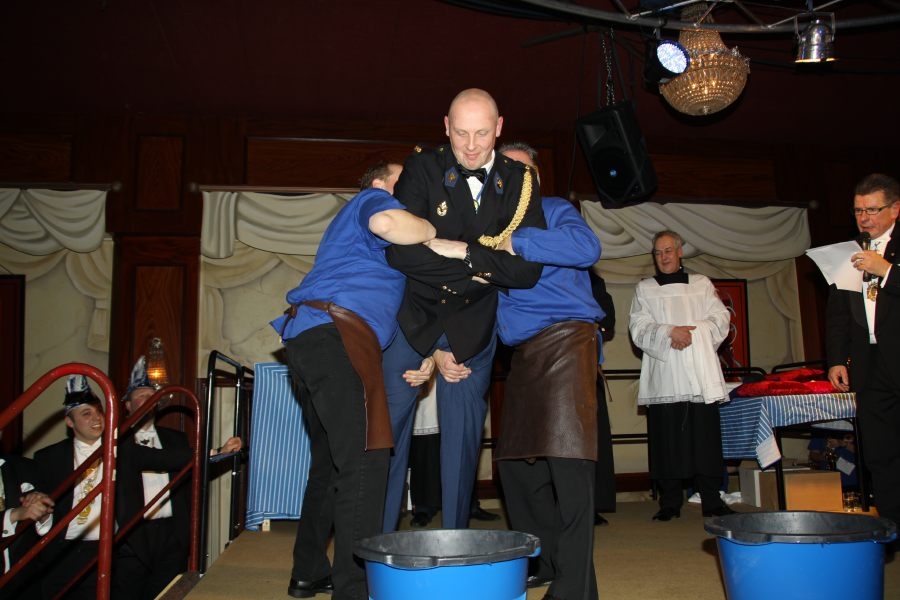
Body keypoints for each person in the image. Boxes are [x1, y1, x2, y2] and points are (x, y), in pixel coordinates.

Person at [270, 162, 435, 600]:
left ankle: (308, 571)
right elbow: (390, 224)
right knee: (367, 459)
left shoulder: (372, 249)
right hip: (337, 335)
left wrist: (430, 356)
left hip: (314, 337)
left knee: (331, 464)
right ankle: (355, 589)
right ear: (380, 184)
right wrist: (432, 226)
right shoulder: (373, 202)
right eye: (403, 178)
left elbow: (407, 307)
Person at [382, 88, 545, 531]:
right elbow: (400, 254)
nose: (471, 146)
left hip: (473, 325)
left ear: (500, 128)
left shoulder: (521, 181)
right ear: (446, 127)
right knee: (386, 439)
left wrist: (463, 252)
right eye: (461, 134)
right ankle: (378, 546)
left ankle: (456, 540)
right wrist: (481, 270)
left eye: (482, 133)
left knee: (463, 443)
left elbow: (527, 271)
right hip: (414, 318)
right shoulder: (423, 167)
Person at [481, 141, 601, 600]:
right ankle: (550, 562)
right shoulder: (487, 227)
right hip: (522, 357)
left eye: (523, 170)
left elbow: (587, 247)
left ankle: (574, 590)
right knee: (515, 470)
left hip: (566, 342)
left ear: (536, 178)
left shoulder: (554, 210)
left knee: (570, 472)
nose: (514, 177)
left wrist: (519, 240)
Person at [628, 230, 734, 521]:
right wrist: (668, 332)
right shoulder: (645, 288)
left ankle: (712, 499)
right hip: (665, 372)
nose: (663, 257)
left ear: (679, 252)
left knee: (704, 438)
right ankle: (670, 502)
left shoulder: (701, 284)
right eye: (658, 252)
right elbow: (638, 327)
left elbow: (720, 317)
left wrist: (690, 334)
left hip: (698, 372)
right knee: (667, 439)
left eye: (668, 251)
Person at [826, 172, 900, 538]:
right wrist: (836, 359)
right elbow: (838, 312)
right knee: (880, 451)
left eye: (872, 210)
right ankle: (892, 529)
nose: (864, 218)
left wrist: (885, 270)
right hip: (869, 364)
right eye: (858, 211)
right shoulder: (848, 251)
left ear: (895, 209)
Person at [113, 356, 195, 600]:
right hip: (133, 537)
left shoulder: (175, 439)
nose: (149, 401)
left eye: (153, 397)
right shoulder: (115, 442)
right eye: (141, 397)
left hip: (171, 534)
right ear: (127, 405)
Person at [33, 374, 108, 600]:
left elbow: (165, 458)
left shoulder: (121, 449)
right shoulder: (48, 458)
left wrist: (205, 452)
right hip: (64, 553)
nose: (97, 418)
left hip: (108, 550)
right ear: (69, 422)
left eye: (98, 411)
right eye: (86, 413)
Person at [1, 449, 53, 600]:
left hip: (24, 585)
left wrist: (42, 511)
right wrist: (14, 515)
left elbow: (53, 520)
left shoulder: (27, 467)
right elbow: (18, 514)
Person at [590, 269, 617, 526]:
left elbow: (608, 318)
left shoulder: (593, 280)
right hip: (550, 365)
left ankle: (591, 503)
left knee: (593, 437)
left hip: (587, 365)